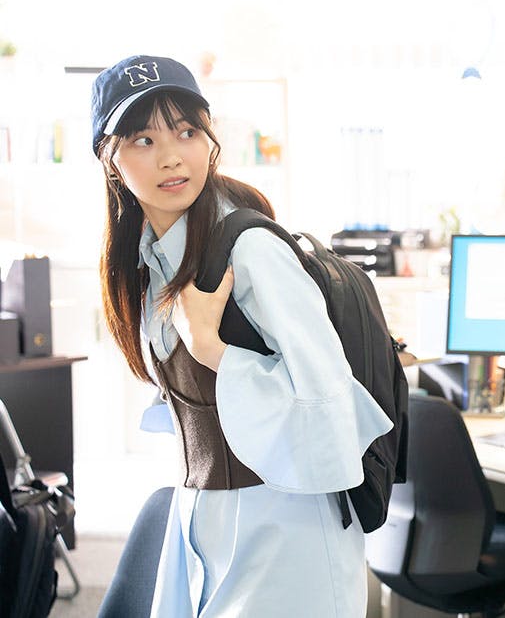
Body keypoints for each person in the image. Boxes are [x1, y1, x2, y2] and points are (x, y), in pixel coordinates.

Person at [91, 55, 393, 617]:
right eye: (143, 140)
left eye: (187, 131)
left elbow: (328, 405)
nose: (172, 156)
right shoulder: (146, 261)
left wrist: (213, 350)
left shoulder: (251, 250)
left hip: (287, 529)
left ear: (210, 139)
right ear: (111, 159)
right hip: (205, 519)